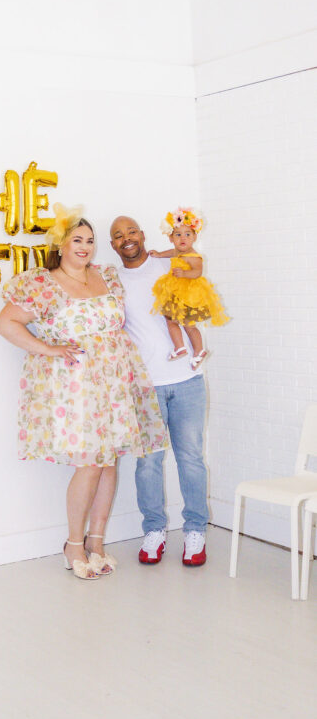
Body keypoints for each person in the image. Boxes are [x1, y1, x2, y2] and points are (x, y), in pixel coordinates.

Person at [0, 204, 167, 581]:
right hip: (76, 385)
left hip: (114, 382)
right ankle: (73, 544)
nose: (85, 247)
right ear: (62, 243)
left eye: (90, 240)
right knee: (89, 463)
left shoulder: (105, 275)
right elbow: (5, 323)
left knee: (108, 462)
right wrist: (51, 348)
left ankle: (98, 541)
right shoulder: (43, 282)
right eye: (78, 240)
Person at [109, 215, 210, 566]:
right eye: (118, 236)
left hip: (187, 382)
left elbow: (196, 263)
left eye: (131, 231)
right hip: (144, 387)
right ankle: (154, 530)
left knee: (191, 460)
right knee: (148, 465)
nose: (127, 239)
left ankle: (195, 530)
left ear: (142, 235)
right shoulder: (110, 279)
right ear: (113, 245)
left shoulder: (168, 263)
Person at [149, 206, 228, 370]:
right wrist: (159, 254)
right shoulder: (178, 250)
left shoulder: (194, 255)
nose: (182, 238)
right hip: (176, 292)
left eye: (187, 234)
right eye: (177, 235)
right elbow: (172, 252)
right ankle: (180, 347)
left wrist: (184, 273)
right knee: (170, 320)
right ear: (171, 238)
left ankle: (199, 350)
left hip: (189, 294)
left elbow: (198, 272)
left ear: (194, 237)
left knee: (189, 325)